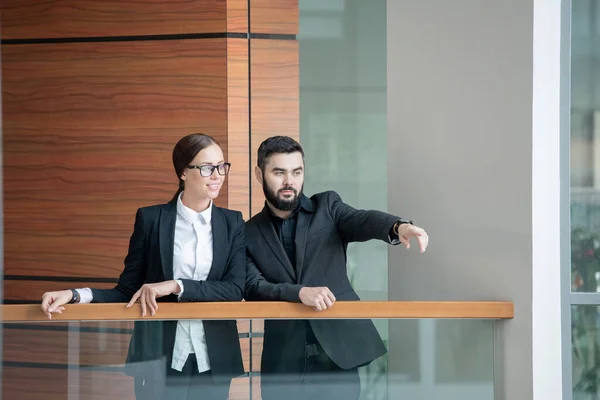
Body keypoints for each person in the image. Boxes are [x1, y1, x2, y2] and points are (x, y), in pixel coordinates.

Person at [40, 133, 246, 400]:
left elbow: (234, 288)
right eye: (207, 168)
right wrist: (75, 295)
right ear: (183, 172)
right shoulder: (151, 219)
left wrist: (176, 285)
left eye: (221, 166)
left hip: (214, 357)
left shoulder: (233, 223)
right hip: (158, 356)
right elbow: (127, 291)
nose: (217, 175)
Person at [245, 136, 429, 400]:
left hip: (338, 359)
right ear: (259, 174)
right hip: (283, 364)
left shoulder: (327, 207)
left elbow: (361, 219)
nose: (289, 182)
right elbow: (252, 288)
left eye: (297, 172)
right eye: (279, 172)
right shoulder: (247, 232)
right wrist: (299, 293)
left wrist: (399, 227)